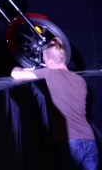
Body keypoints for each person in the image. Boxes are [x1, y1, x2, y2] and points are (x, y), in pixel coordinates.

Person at [11, 38, 99, 169]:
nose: (45, 64)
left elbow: (15, 74)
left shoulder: (49, 74)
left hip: (68, 143)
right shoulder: (80, 80)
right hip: (89, 141)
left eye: (45, 61)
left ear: (51, 62)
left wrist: (27, 68)